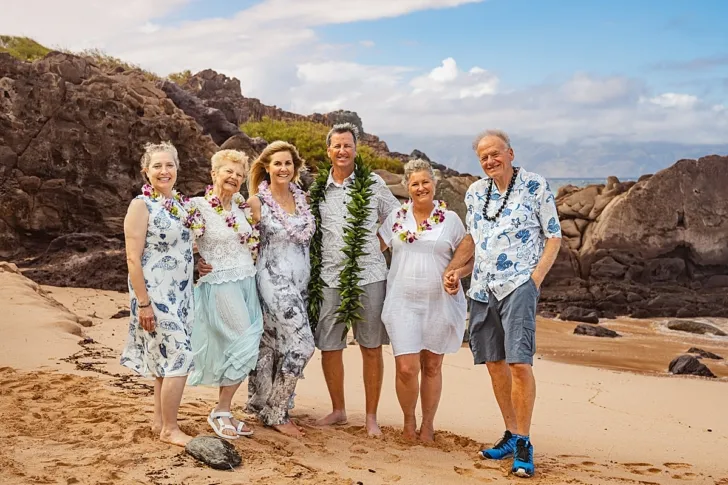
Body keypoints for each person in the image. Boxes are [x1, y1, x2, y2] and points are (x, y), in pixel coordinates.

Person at [444, 129, 562, 478]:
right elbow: (473, 239)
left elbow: (553, 236)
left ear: (510, 153)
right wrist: (455, 270)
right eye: (484, 156)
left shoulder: (534, 186)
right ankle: (511, 434)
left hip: (517, 287)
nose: (490, 160)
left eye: (496, 153)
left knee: (519, 364)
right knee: (495, 364)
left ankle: (524, 442)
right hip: (482, 289)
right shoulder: (475, 192)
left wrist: (534, 281)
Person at [308, 123, 400, 437]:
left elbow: (399, 216)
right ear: (329, 151)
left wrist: (382, 242)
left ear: (355, 149)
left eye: (348, 145)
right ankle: (338, 409)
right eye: (337, 146)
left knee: (371, 346)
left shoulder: (372, 183)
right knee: (329, 345)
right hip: (329, 276)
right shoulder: (318, 189)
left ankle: (371, 417)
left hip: (370, 275)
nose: (343, 151)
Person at [378, 159, 470, 442]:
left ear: (434, 184)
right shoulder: (395, 219)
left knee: (432, 365)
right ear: (407, 187)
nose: (421, 188)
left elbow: (468, 258)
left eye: (425, 182)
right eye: (415, 183)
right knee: (406, 367)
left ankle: (428, 425)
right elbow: (373, 250)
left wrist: (457, 274)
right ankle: (408, 422)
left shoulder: (451, 220)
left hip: (438, 303)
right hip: (402, 301)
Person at [120, 141, 195, 447]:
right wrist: (144, 303)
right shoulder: (142, 205)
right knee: (180, 353)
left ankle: (158, 421)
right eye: (157, 166)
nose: (164, 171)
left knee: (165, 356)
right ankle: (171, 429)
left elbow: (180, 247)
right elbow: (132, 258)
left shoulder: (179, 206)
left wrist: (197, 263)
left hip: (182, 293)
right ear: (146, 171)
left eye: (169, 165)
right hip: (155, 293)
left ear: (177, 169)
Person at [186, 149, 263, 440]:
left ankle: (225, 410)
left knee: (241, 344)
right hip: (219, 283)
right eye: (228, 171)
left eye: (239, 174)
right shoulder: (197, 206)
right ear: (213, 174)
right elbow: (180, 245)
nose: (233, 177)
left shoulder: (242, 208)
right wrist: (195, 264)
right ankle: (220, 410)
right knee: (245, 341)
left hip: (247, 282)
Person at [244, 141, 316, 438]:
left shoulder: (303, 200)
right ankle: (276, 410)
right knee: (303, 344)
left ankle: (260, 402)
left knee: (272, 343)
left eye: (288, 163)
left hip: (300, 283)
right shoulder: (256, 202)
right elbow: (237, 235)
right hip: (272, 279)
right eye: (277, 164)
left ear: (295, 168)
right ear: (267, 168)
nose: (283, 168)